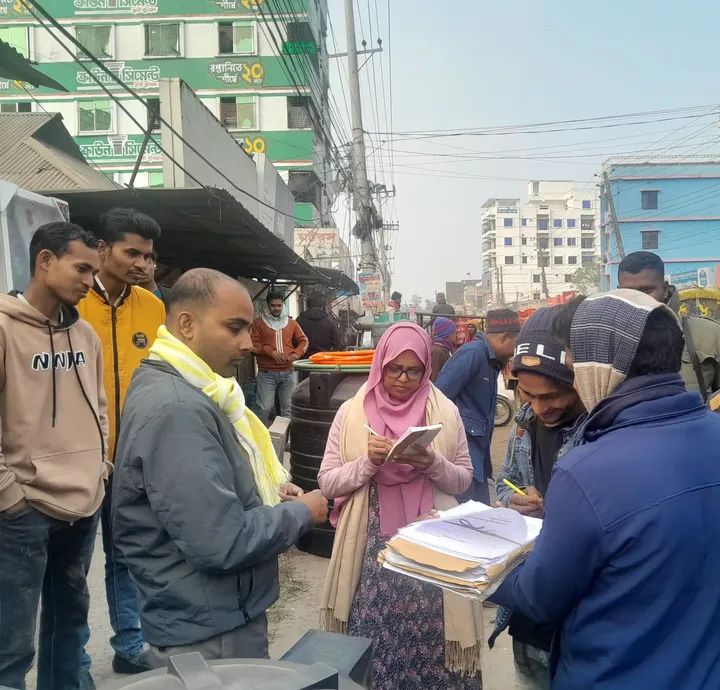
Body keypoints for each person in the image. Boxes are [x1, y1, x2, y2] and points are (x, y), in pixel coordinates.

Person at [490, 289, 720, 689]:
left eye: (576, 362)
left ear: (600, 365)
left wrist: (474, 567)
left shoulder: (588, 470)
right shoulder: (711, 433)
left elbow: (540, 596)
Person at [112, 269, 328, 664]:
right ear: (187, 324)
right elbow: (221, 542)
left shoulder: (189, 388)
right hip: (210, 627)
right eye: (234, 328)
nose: (248, 343)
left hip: (209, 612)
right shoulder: (178, 408)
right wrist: (301, 513)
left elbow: (204, 493)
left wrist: (266, 494)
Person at [318, 322, 482, 690]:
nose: (404, 379)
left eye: (414, 370)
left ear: (427, 368)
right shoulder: (351, 412)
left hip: (433, 555)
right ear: (380, 364)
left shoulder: (445, 411)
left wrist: (432, 462)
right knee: (374, 642)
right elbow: (327, 482)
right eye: (394, 369)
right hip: (373, 552)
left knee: (435, 645)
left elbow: (462, 481)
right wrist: (368, 463)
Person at [0, 222, 109, 690]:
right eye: (81, 268)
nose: (90, 281)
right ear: (45, 261)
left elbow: (99, 407)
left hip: (83, 504)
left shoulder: (85, 335)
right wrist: (9, 495)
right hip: (23, 510)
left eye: (93, 272)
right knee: (11, 641)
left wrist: (100, 469)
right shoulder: (4, 328)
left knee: (69, 627)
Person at [77, 207, 165, 675]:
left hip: (134, 459)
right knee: (70, 566)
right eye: (132, 253)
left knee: (127, 556)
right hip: (79, 461)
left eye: (148, 256)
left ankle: (130, 644)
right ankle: (71, 659)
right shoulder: (71, 303)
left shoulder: (152, 307)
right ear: (102, 250)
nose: (142, 264)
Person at [488, 307, 585, 686]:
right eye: (527, 394)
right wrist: (513, 501)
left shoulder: (599, 434)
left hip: (575, 624)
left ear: (578, 382)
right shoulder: (524, 423)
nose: (540, 407)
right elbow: (505, 481)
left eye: (553, 396)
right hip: (526, 617)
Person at [436, 309, 520, 504]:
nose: (514, 351)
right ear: (503, 337)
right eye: (514, 343)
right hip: (464, 452)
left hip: (478, 453)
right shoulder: (472, 354)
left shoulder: (491, 360)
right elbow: (439, 397)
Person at [617, 250, 720, 399]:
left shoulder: (708, 335)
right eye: (629, 291)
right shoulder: (608, 338)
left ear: (664, 290)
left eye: (646, 290)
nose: (639, 298)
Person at [251, 291, 308, 422]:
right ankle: (261, 434)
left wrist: (296, 354)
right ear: (267, 305)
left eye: (279, 305)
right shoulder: (258, 323)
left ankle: (285, 435)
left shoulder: (292, 323)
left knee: (288, 410)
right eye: (273, 306)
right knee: (264, 408)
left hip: (289, 372)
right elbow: (252, 344)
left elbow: (304, 341)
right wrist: (270, 352)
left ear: (283, 305)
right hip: (266, 373)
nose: (276, 308)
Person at [430, 316, 457, 382]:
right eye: (454, 332)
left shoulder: (446, 348)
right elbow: (435, 378)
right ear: (447, 334)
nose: (456, 335)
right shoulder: (437, 352)